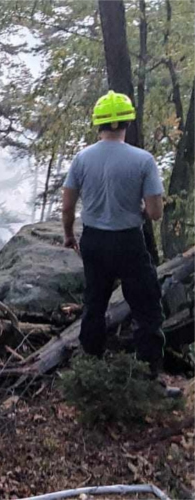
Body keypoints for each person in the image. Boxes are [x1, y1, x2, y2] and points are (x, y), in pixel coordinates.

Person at [62, 90, 167, 378]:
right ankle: (149, 376)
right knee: (146, 308)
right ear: (126, 123)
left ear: (98, 124)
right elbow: (155, 212)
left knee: (94, 305)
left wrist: (70, 236)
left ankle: (89, 373)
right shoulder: (143, 160)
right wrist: (141, 211)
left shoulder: (82, 159)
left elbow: (68, 207)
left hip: (94, 240)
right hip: (129, 241)